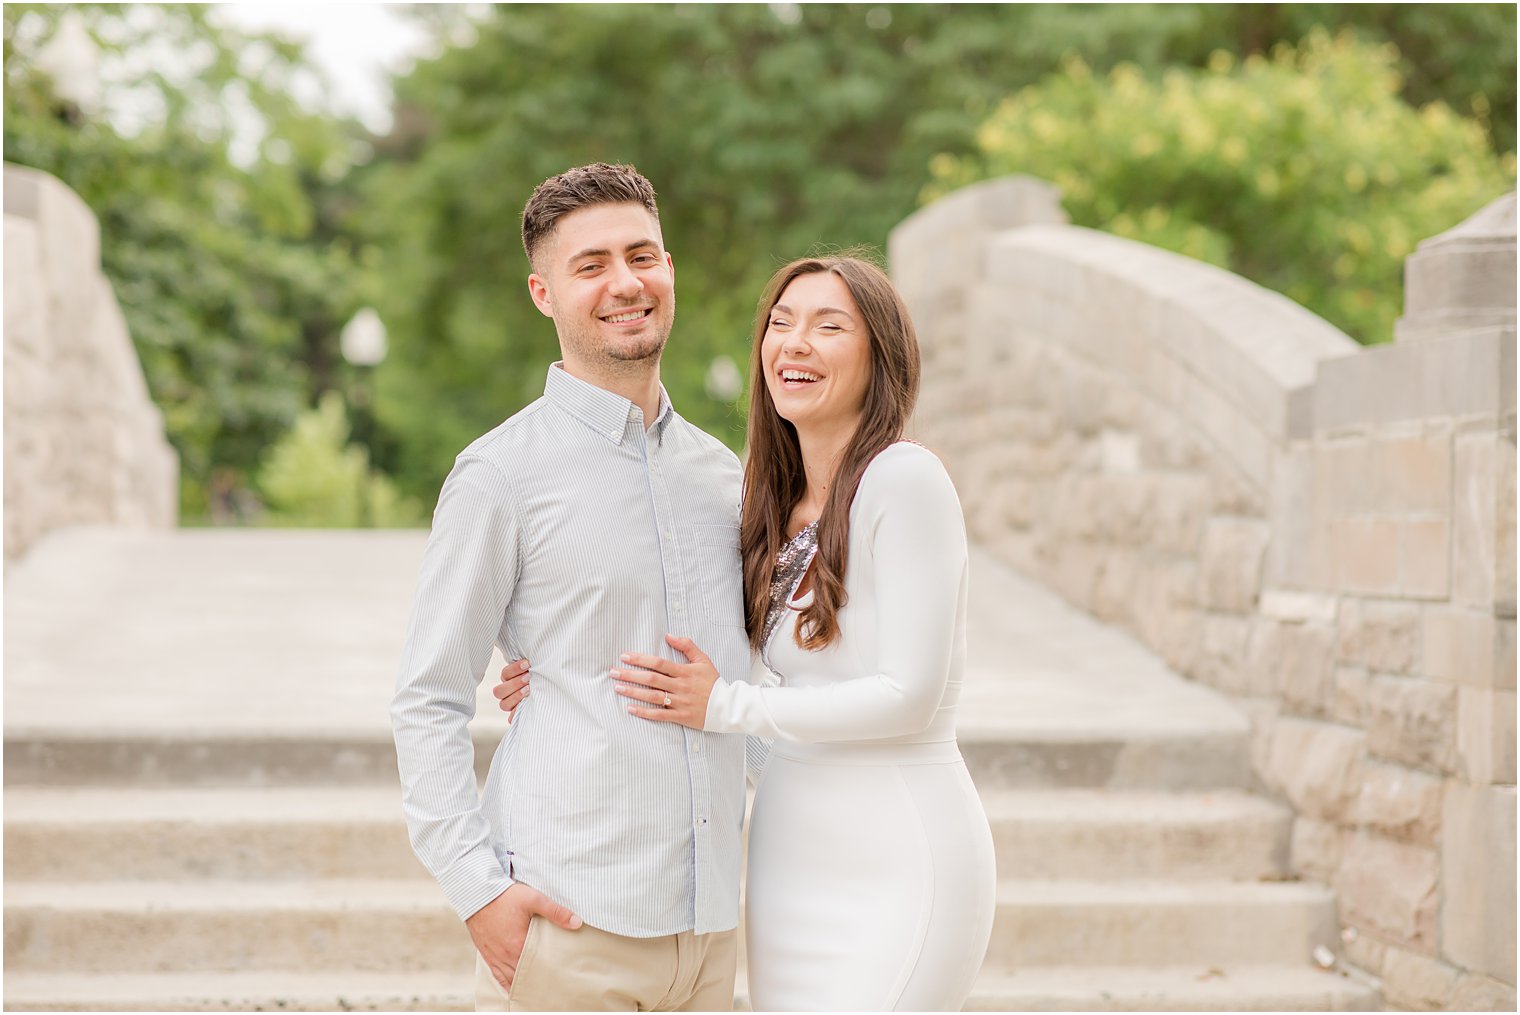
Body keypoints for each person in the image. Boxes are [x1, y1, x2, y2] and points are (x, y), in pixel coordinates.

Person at [498, 255, 998, 1010]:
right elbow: (697, 644)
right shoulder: (770, 502)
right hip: (788, 856)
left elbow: (909, 696)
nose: (794, 343)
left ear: (881, 356)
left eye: (830, 326)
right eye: (782, 323)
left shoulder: (906, 480)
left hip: (900, 852)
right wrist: (563, 671)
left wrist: (727, 705)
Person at [391, 162, 751, 1012]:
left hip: (713, 935)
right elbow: (429, 696)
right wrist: (477, 889)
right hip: (571, 927)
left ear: (669, 270)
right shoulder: (499, 475)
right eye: (591, 266)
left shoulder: (724, 475)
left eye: (643, 256)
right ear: (543, 293)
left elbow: (748, 678)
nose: (625, 283)